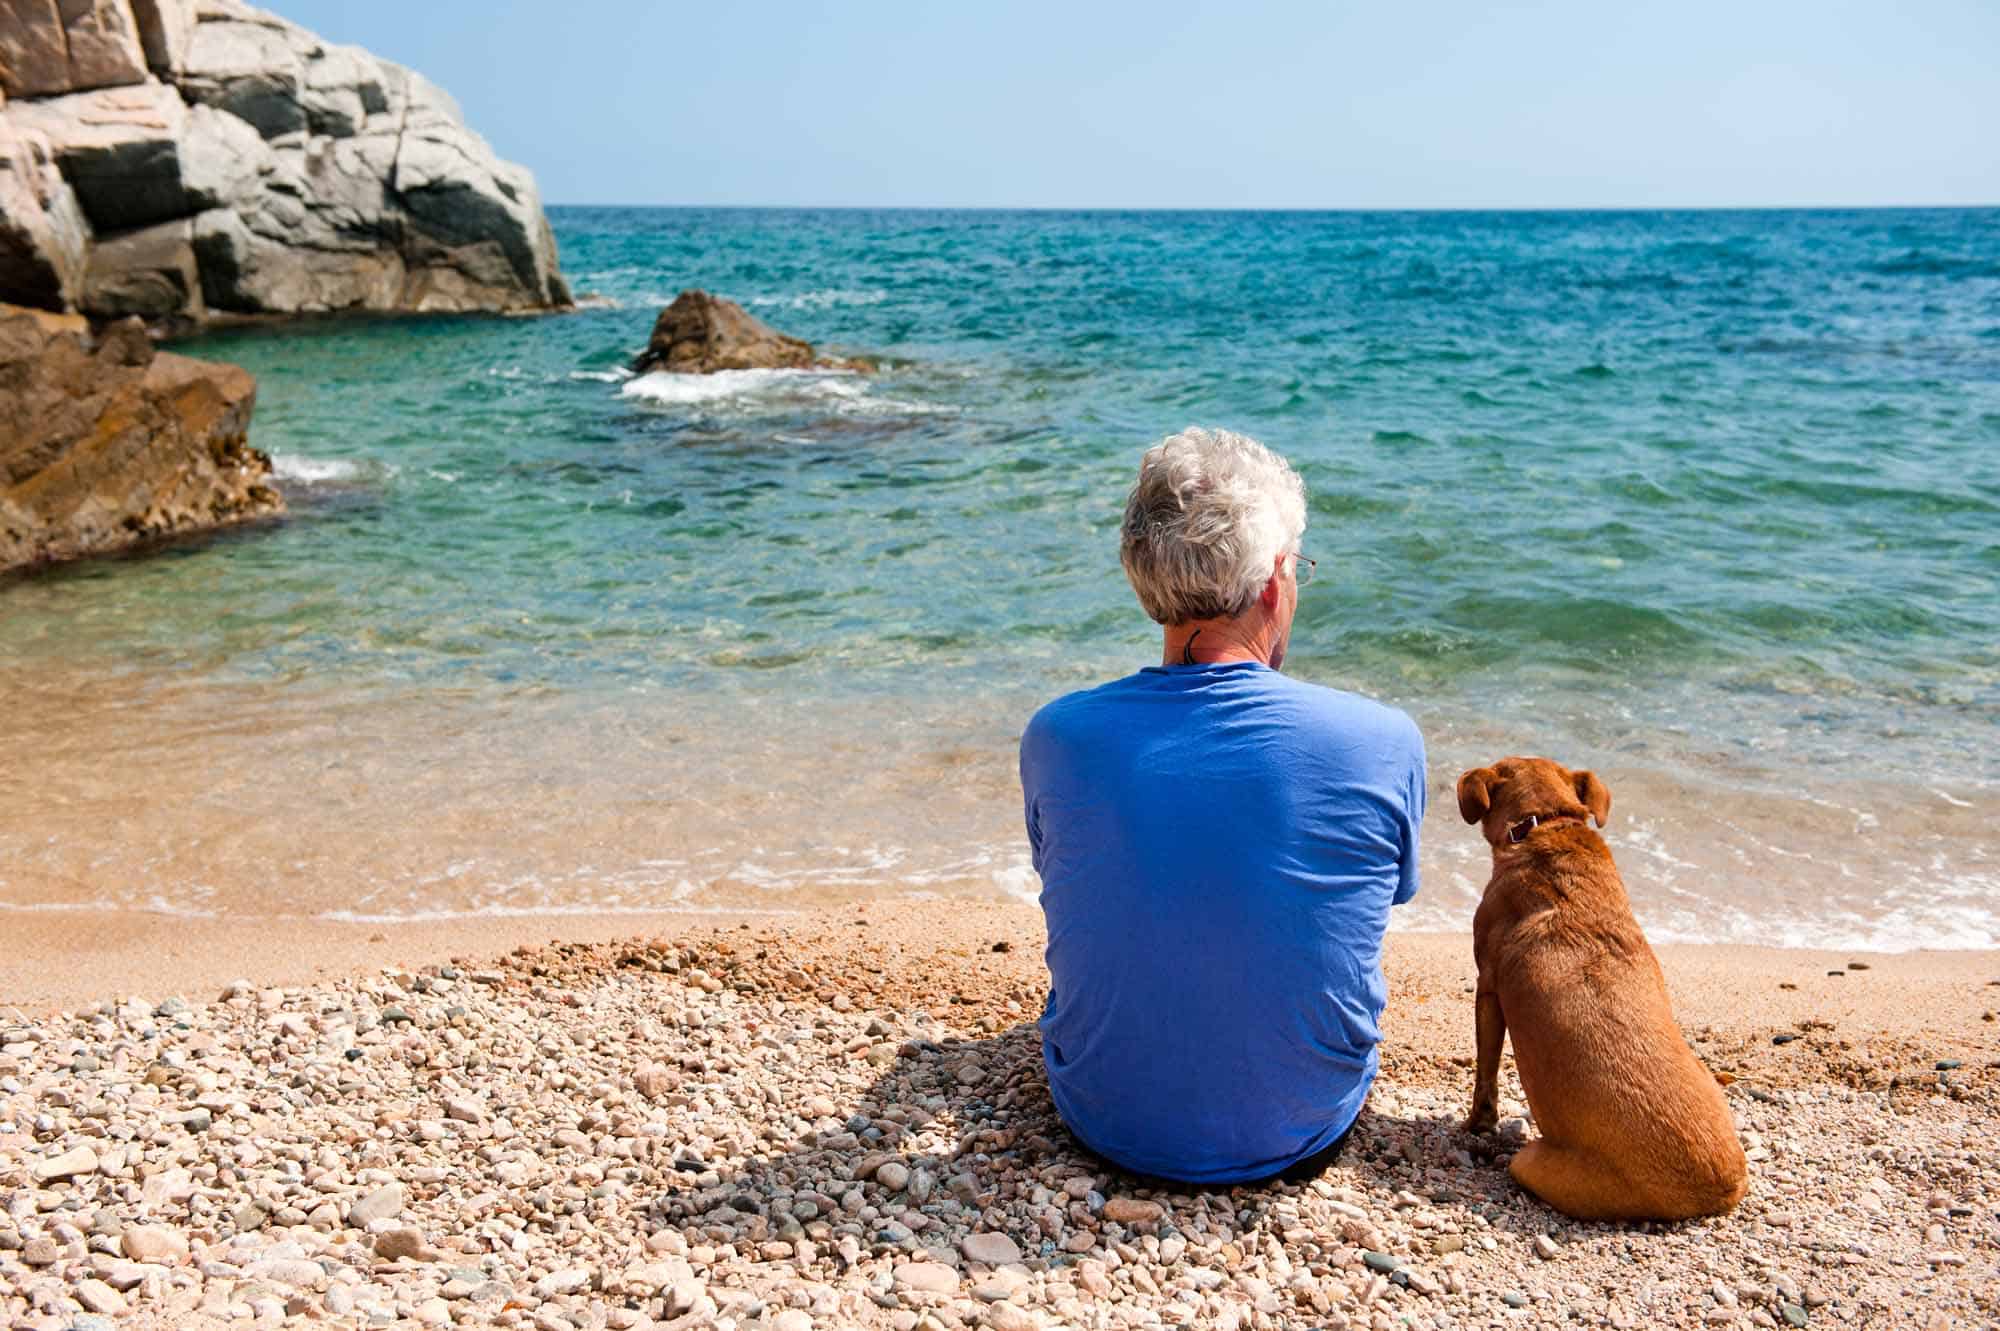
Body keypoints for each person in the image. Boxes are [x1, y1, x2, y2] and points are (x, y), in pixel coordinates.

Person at [1019, 426, 1428, 1186]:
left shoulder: (1057, 736)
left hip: (1104, 1114)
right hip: (1303, 1121)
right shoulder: (1382, 740)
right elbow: (1368, 907)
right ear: (1275, 582)